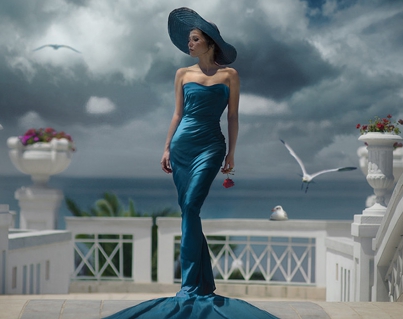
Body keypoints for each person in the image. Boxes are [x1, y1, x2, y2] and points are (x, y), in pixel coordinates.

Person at [105, 7, 278, 319]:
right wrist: (166, 148)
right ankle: (200, 283)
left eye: (195, 39)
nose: (190, 44)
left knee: (192, 207)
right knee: (189, 210)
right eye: (189, 40)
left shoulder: (230, 76)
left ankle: (189, 285)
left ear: (209, 43)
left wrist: (232, 153)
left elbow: (234, 117)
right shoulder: (182, 74)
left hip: (211, 146)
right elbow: (177, 114)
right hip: (182, 147)